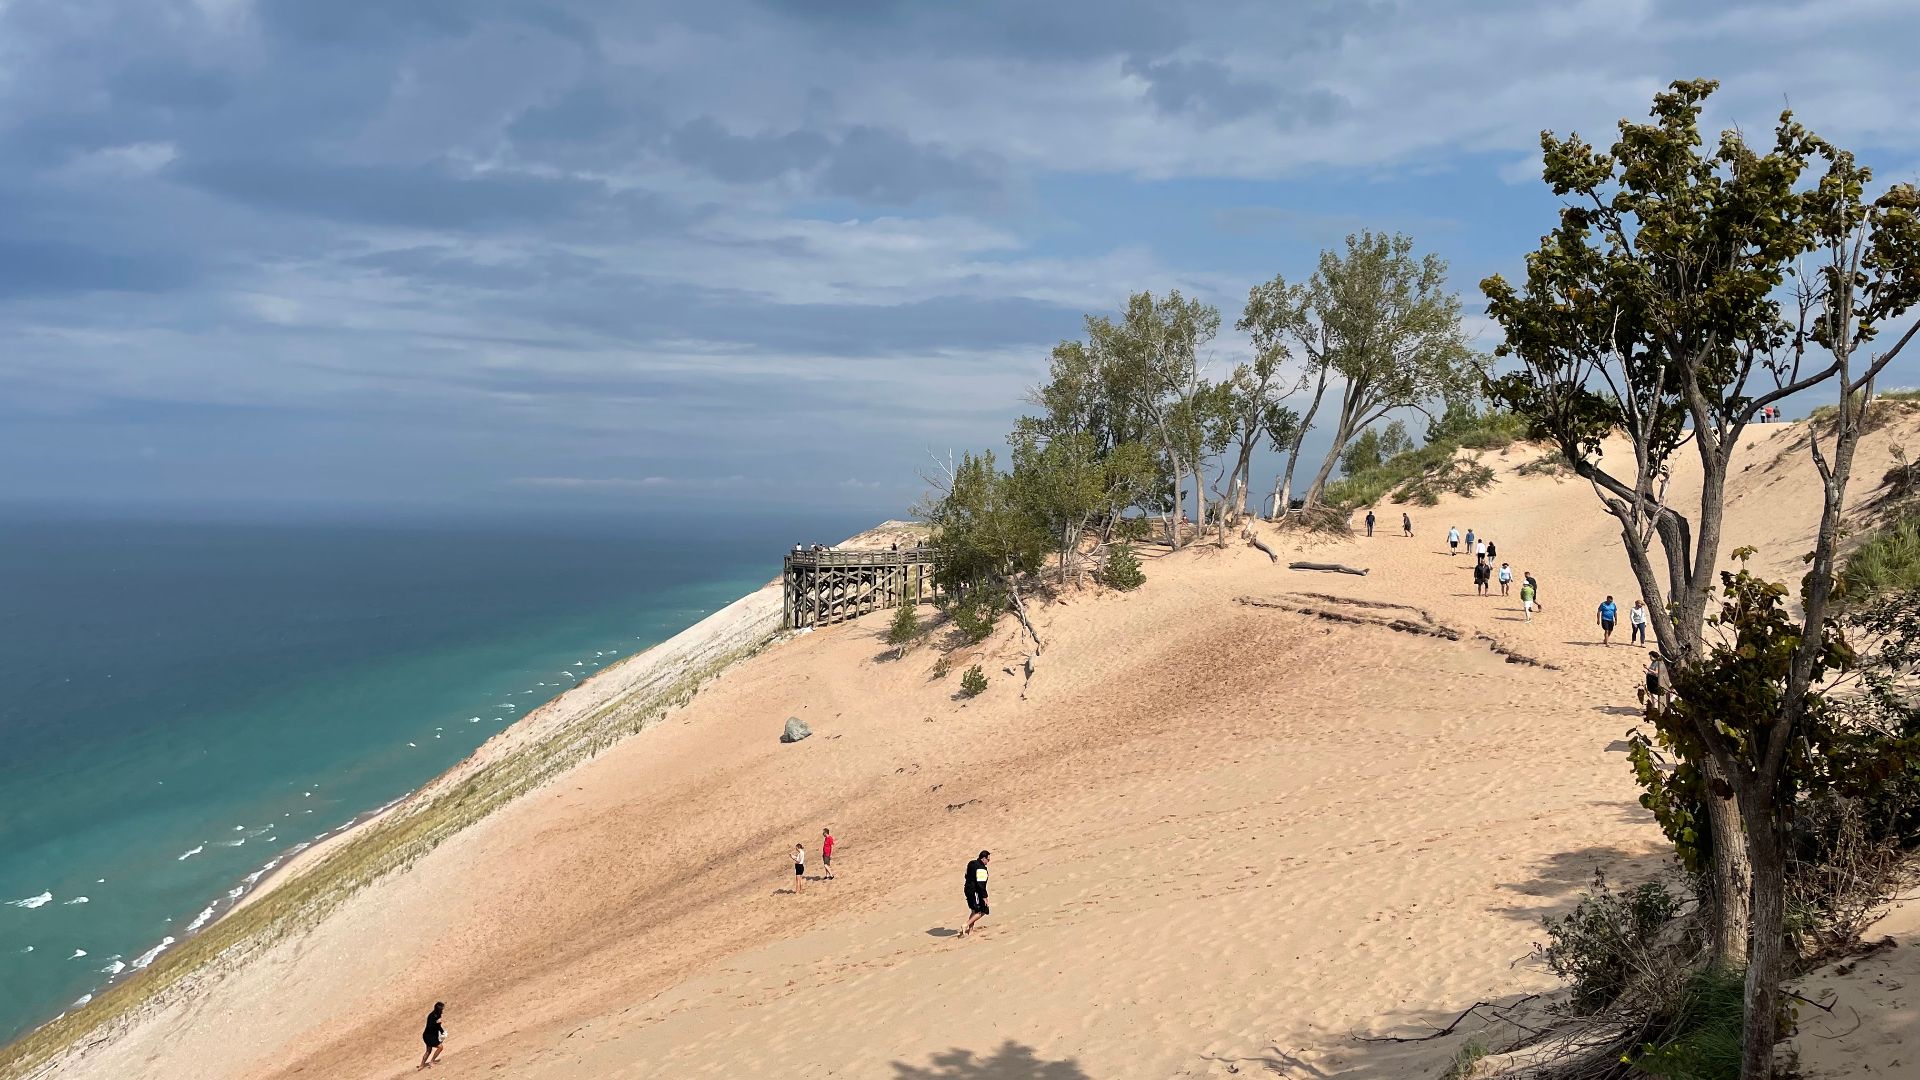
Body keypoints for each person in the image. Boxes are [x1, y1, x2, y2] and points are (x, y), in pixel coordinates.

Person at [962, 850, 991, 936]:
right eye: (988, 860)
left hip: (967, 889)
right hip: (975, 891)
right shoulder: (981, 868)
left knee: (974, 910)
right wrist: (984, 897)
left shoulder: (971, 863)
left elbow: (966, 875)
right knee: (983, 910)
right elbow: (980, 884)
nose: (988, 862)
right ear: (983, 858)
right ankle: (966, 925)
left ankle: (970, 931)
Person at [419, 1002, 447, 1070]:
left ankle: (421, 1065)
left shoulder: (438, 1015)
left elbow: (438, 1026)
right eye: (441, 1010)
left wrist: (443, 1032)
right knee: (440, 1047)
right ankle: (432, 1061)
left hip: (432, 1036)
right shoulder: (431, 1016)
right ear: (438, 1009)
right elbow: (430, 1027)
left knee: (428, 1050)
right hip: (428, 1036)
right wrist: (436, 1022)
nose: (442, 1011)